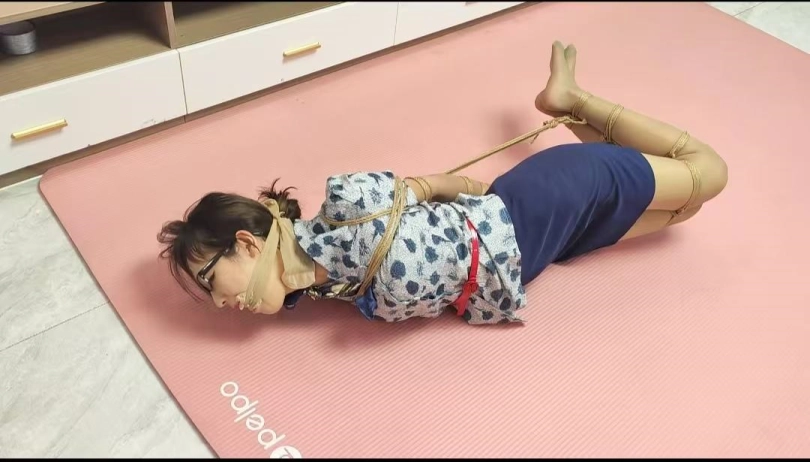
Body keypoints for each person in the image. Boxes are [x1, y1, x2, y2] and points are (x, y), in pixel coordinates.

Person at [157, 41, 728, 325]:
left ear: (247, 243)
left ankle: (574, 98)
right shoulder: (325, 287)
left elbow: (423, 187)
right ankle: (575, 116)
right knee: (683, 212)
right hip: (538, 252)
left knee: (708, 174)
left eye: (211, 279)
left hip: (534, 205)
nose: (221, 302)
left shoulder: (346, 209)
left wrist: (468, 189)